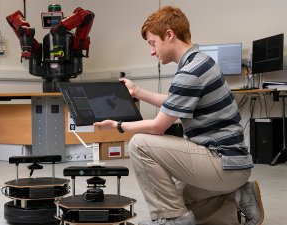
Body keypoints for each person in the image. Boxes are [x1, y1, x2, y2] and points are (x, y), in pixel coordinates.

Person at [93, 6, 264, 225]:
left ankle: (173, 220)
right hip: (234, 167)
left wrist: (119, 126)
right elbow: (174, 102)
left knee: (140, 144)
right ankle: (240, 195)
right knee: (180, 198)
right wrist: (137, 92)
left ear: (169, 35)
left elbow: (158, 127)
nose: (152, 52)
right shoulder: (200, 61)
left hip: (224, 164)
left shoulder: (190, 72)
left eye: (152, 43)